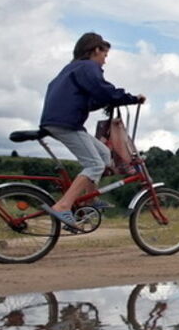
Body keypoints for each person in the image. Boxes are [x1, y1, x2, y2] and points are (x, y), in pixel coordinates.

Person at [39, 32, 146, 229]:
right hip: (65, 123)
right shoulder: (89, 67)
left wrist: (108, 102)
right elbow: (102, 88)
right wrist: (131, 98)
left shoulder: (72, 69)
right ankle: (63, 205)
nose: (105, 61)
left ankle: (89, 201)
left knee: (104, 155)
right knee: (95, 165)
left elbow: (88, 98)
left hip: (59, 120)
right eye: (105, 55)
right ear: (96, 50)